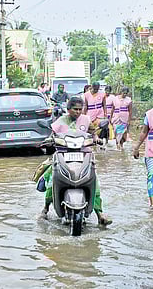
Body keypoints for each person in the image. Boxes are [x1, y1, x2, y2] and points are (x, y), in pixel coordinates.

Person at [40, 96, 113, 226]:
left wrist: (97, 138)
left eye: (80, 109)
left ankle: (100, 214)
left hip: (84, 154)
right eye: (75, 109)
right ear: (69, 109)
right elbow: (53, 135)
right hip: (64, 153)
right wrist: (48, 140)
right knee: (52, 178)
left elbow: (93, 132)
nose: (78, 112)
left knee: (94, 180)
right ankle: (45, 208)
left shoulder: (86, 119)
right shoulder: (60, 121)